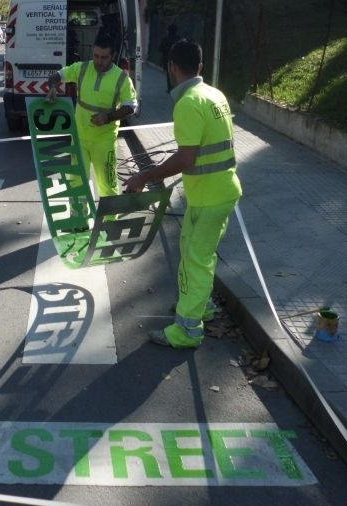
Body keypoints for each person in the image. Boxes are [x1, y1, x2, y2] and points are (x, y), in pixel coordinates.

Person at [123, 39, 241, 350]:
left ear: (171, 67)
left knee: (193, 260)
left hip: (208, 197)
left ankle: (188, 330)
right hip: (220, 191)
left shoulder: (188, 102)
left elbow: (186, 158)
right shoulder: (214, 95)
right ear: (200, 66)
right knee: (201, 253)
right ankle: (201, 307)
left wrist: (146, 176)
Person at [46, 33, 138, 217]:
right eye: (96, 56)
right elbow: (56, 75)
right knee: (76, 180)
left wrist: (108, 117)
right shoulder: (81, 68)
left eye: (104, 57)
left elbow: (131, 106)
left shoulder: (121, 78)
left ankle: (110, 220)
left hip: (104, 140)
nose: (99, 61)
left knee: (108, 182)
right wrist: (53, 87)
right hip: (79, 137)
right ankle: (79, 217)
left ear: (112, 56)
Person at [158, 24, 180, 92]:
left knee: (169, 73)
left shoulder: (165, 39)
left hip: (167, 59)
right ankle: (177, 87)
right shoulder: (179, 39)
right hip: (177, 59)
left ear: (168, 31)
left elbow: (160, 49)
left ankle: (170, 88)